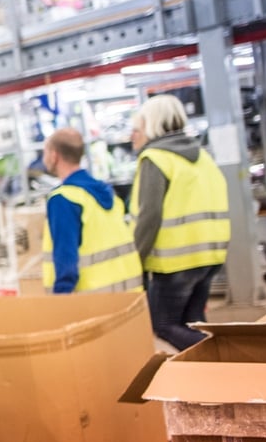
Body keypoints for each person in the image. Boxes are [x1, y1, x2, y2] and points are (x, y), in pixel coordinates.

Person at [130, 94, 230, 351]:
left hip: (176, 262)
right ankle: (204, 376)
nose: (134, 134)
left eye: (137, 127)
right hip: (210, 257)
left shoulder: (155, 158)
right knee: (193, 323)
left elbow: (149, 216)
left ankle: (225, 357)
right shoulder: (202, 157)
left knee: (163, 325)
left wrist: (135, 261)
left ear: (151, 124)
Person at [40, 127, 142, 294]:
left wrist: (59, 302)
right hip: (127, 293)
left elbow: (66, 261)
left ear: (54, 155)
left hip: (93, 299)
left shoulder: (64, 199)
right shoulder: (107, 194)